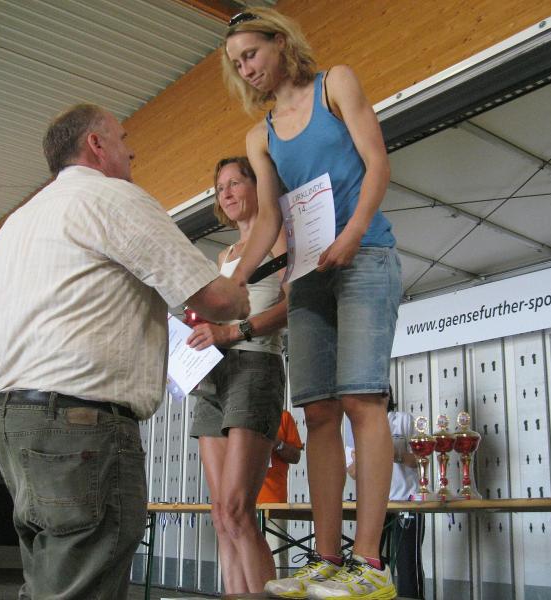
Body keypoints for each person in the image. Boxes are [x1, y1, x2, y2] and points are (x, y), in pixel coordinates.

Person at [0, 103, 249, 600]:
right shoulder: (113, 198)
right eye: (123, 138)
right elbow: (219, 301)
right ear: (96, 144)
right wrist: (242, 291)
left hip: (13, 426)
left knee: (48, 581)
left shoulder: (16, 224)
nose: (131, 151)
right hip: (82, 428)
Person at [222, 7, 402, 599]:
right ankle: (326, 558)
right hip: (308, 275)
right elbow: (268, 219)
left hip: (364, 254)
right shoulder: (260, 135)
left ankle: (369, 563)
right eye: (236, 64)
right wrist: (237, 282)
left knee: (361, 398)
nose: (246, 69)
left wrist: (353, 233)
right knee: (319, 412)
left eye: (251, 54)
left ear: (280, 42)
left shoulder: (335, 85)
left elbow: (377, 163)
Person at [185, 156, 288, 594]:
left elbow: (293, 305)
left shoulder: (279, 237)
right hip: (214, 374)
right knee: (220, 515)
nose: (226, 193)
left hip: (254, 365)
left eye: (235, 182)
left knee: (237, 510)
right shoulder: (223, 256)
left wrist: (233, 331)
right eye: (220, 187)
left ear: (257, 186)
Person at [347, 391, 424, 599]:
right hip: (372, 505)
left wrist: (393, 454)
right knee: (367, 561)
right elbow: (352, 472)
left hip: (406, 502)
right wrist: (363, 458)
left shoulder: (404, 420)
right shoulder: (356, 425)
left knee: (407, 563)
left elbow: (420, 460)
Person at [257, 409, 304, 572]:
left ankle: (277, 588)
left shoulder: (283, 417)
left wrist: (278, 444)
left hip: (274, 502)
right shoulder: (236, 415)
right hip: (241, 501)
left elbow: (296, 456)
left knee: (276, 558)